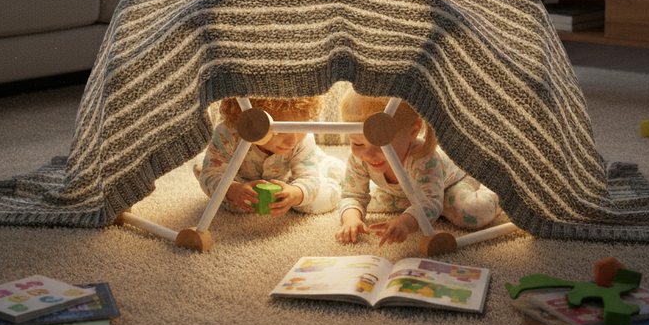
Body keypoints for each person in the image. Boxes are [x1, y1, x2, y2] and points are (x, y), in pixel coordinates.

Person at [336, 91, 501, 246]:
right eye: (357, 143)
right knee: (373, 203)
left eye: (382, 143)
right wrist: (351, 220)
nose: (369, 154)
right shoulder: (360, 159)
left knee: (472, 212)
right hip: (407, 195)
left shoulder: (423, 158)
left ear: (413, 130)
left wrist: (405, 223)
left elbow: (430, 200)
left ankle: (497, 187)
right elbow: (353, 194)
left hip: (449, 185)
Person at [195, 95, 345, 215]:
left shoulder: (303, 141)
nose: (292, 140)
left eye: (301, 127)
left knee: (313, 204)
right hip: (243, 178)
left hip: (289, 177)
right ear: (251, 121)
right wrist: (234, 190)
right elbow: (212, 174)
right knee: (234, 204)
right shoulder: (228, 134)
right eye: (279, 130)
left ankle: (330, 169)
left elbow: (308, 178)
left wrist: (295, 193)